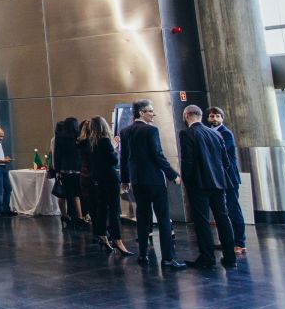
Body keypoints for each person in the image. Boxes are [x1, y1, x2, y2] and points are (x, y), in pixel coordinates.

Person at [120, 99, 185, 269]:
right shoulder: (151, 131)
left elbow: (124, 157)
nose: (153, 114)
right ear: (141, 113)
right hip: (154, 181)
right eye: (150, 111)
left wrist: (125, 180)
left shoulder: (125, 131)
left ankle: (142, 255)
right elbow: (158, 156)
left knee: (142, 218)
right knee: (163, 219)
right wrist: (173, 175)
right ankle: (168, 258)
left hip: (137, 182)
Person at [179, 106, 237, 269]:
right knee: (223, 218)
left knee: (202, 221)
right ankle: (230, 256)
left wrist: (186, 181)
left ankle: (207, 257)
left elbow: (188, 161)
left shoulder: (187, 134)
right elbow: (226, 162)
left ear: (187, 115)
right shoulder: (216, 134)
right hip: (219, 182)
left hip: (199, 184)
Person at [88, 116, 133, 255]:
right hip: (110, 178)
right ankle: (117, 239)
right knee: (114, 210)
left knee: (102, 207)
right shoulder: (105, 141)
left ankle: (102, 235)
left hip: (98, 179)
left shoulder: (92, 142)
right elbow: (113, 161)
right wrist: (114, 147)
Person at [207, 107, 246, 255]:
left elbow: (220, 153)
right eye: (212, 116)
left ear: (222, 118)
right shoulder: (211, 132)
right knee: (224, 210)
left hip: (229, 178)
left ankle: (240, 242)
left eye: (217, 116)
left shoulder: (226, 134)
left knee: (233, 209)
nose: (215, 119)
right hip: (219, 178)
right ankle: (228, 242)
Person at [52, 117, 85, 228]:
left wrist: (57, 171)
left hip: (65, 170)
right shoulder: (79, 137)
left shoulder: (60, 138)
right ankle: (79, 218)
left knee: (68, 195)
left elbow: (57, 155)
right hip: (78, 170)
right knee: (77, 195)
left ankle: (71, 218)